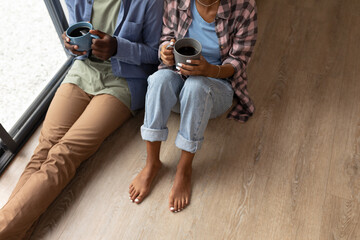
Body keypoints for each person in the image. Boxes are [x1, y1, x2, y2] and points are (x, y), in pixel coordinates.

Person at [0, 0, 162, 238]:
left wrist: (117, 47)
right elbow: (76, 38)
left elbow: (155, 53)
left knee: (64, 153)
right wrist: (71, 44)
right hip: (83, 71)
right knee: (44, 148)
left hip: (123, 80)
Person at [128, 0, 257, 213]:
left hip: (217, 86)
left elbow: (238, 62)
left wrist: (209, 70)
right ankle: (152, 163)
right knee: (159, 79)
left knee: (196, 86)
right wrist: (165, 51)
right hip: (179, 78)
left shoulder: (244, 7)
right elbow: (167, 36)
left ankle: (184, 168)